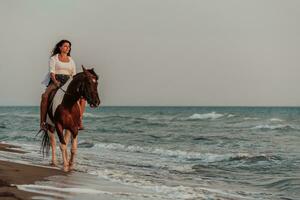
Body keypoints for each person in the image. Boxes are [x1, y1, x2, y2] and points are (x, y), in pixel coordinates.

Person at [40, 39, 85, 130]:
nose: (68, 48)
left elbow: (73, 75)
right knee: (45, 96)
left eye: (69, 47)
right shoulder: (54, 58)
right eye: (65, 46)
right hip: (56, 80)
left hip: (68, 82)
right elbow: (52, 72)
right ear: (60, 47)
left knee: (82, 98)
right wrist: (55, 82)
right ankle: (43, 122)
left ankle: (79, 120)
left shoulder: (71, 60)